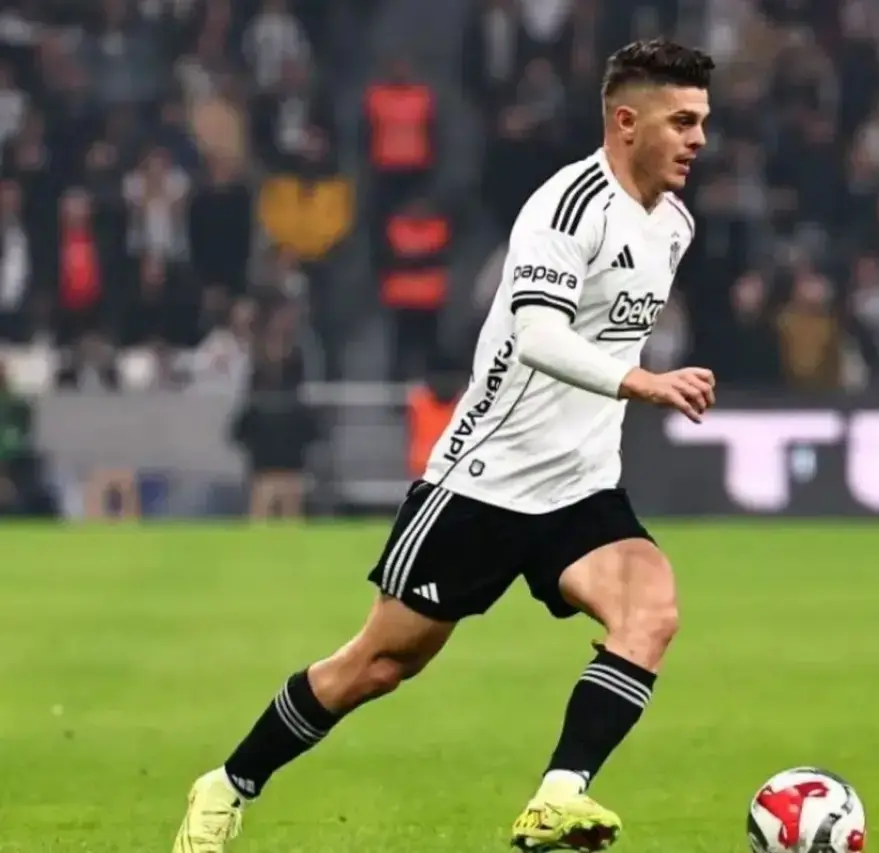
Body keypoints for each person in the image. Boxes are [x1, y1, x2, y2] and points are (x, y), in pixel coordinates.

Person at [172, 38, 716, 853]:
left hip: (580, 487)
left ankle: (558, 796)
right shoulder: (567, 209)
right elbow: (537, 336)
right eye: (682, 121)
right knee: (379, 664)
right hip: (484, 481)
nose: (699, 139)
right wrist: (640, 381)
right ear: (626, 122)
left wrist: (631, 386)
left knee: (653, 609)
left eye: (702, 121)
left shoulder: (673, 224)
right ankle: (227, 784)